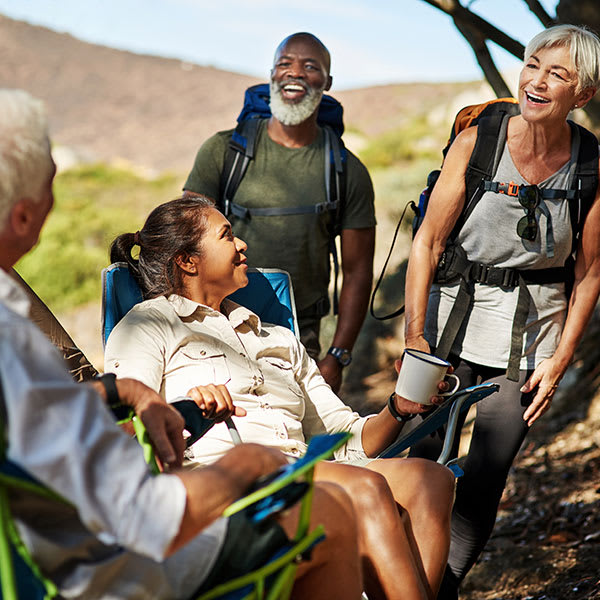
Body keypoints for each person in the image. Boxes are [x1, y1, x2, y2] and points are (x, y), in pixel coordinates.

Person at [0, 88, 365, 600]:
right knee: (330, 515)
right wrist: (247, 466)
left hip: (43, 557)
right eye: (51, 187)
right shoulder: (21, 335)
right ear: (22, 218)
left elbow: (35, 413)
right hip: (101, 575)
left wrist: (123, 393)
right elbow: (145, 518)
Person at [105, 195, 456, 600]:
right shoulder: (149, 324)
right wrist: (185, 411)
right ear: (188, 261)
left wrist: (398, 407)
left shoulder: (276, 337)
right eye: (227, 236)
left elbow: (345, 437)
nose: (242, 246)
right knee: (363, 487)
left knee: (430, 479)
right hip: (226, 481)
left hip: (305, 468)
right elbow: (128, 423)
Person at [402, 24, 600, 598]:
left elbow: (589, 271)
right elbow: (427, 244)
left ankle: (443, 588)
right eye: (533, 64)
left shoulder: (589, 163)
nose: (536, 81)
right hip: (445, 327)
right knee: (416, 466)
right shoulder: (479, 138)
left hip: (528, 343)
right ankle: (401, 582)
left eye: (556, 74)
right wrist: (415, 336)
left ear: (582, 95)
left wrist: (560, 361)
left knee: (485, 481)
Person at [183, 32, 376, 394]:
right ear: (271, 75)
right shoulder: (223, 151)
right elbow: (184, 243)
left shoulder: (347, 170)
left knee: (296, 442)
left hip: (301, 336)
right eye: (285, 64)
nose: (295, 73)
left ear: (327, 83)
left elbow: (358, 271)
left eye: (310, 67)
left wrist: (337, 356)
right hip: (218, 326)